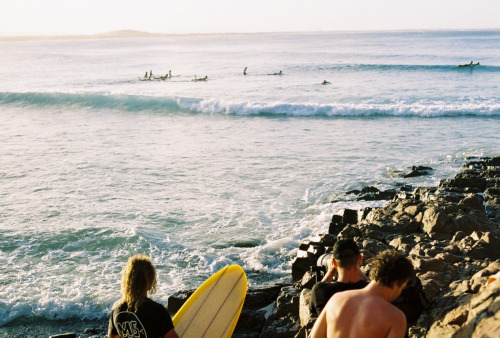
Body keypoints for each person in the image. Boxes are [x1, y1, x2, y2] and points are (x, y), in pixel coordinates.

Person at [310, 250, 414, 338]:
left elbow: (314, 336)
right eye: (403, 286)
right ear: (396, 283)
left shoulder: (336, 299)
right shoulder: (395, 317)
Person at [108, 254, 179, 338]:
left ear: (126, 280)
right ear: (149, 282)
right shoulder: (158, 311)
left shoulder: (116, 309)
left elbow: (112, 337)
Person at [310, 239, 369, 315]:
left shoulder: (320, 291)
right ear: (360, 259)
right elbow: (368, 283)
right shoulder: (370, 291)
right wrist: (356, 268)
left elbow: (312, 309)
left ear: (334, 262)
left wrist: (330, 272)